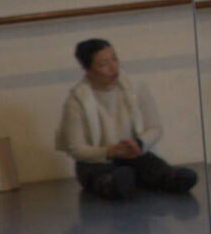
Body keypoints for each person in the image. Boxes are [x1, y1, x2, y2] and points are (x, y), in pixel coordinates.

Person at [56, 37, 199, 199]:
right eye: (103, 64)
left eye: (114, 59)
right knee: (96, 174)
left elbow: (155, 127)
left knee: (150, 164)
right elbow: (76, 148)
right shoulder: (76, 100)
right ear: (87, 70)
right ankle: (113, 183)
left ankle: (171, 177)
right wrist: (109, 151)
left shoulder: (135, 86)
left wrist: (139, 143)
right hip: (98, 161)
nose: (113, 67)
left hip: (133, 155)